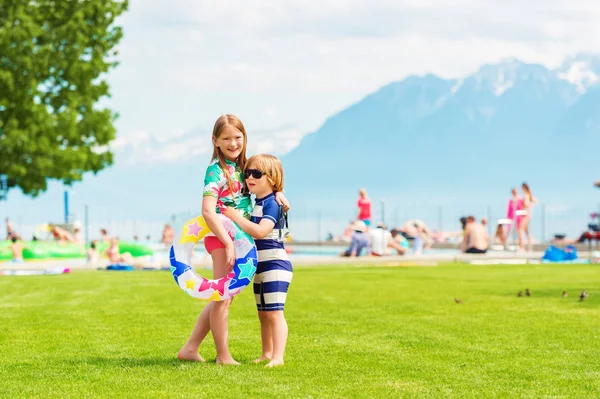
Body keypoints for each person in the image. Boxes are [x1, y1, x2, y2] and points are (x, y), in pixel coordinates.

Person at [177, 114, 289, 365]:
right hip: (221, 238)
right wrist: (227, 243)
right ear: (215, 141)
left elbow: (266, 178)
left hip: (240, 239)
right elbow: (208, 210)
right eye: (226, 138)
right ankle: (223, 356)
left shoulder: (243, 167)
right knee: (223, 296)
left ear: (244, 138)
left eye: (237, 137)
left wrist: (279, 193)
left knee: (224, 295)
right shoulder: (215, 171)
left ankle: (190, 348)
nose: (233, 143)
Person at [223, 154, 292, 368]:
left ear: (272, 178)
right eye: (247, 173)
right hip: (259, 266)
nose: (250, 177)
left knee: (274, 312)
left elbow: (261, 231)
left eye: (257, 173)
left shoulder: (272, 203)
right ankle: (266, 353)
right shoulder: (258, 201)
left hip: (275, 264)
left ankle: (277, 357)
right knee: (263, 314)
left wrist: (236, 217)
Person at [518, 182, 537, 252]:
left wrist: (524, 207)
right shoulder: (529, 194)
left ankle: (522, 247)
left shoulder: (526, 195)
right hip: (528, 215)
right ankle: (530, 248)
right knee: (527, 232)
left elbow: (526, 204)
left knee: (520, 230)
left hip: (525, 215)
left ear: (523, 187)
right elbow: (535, 201)